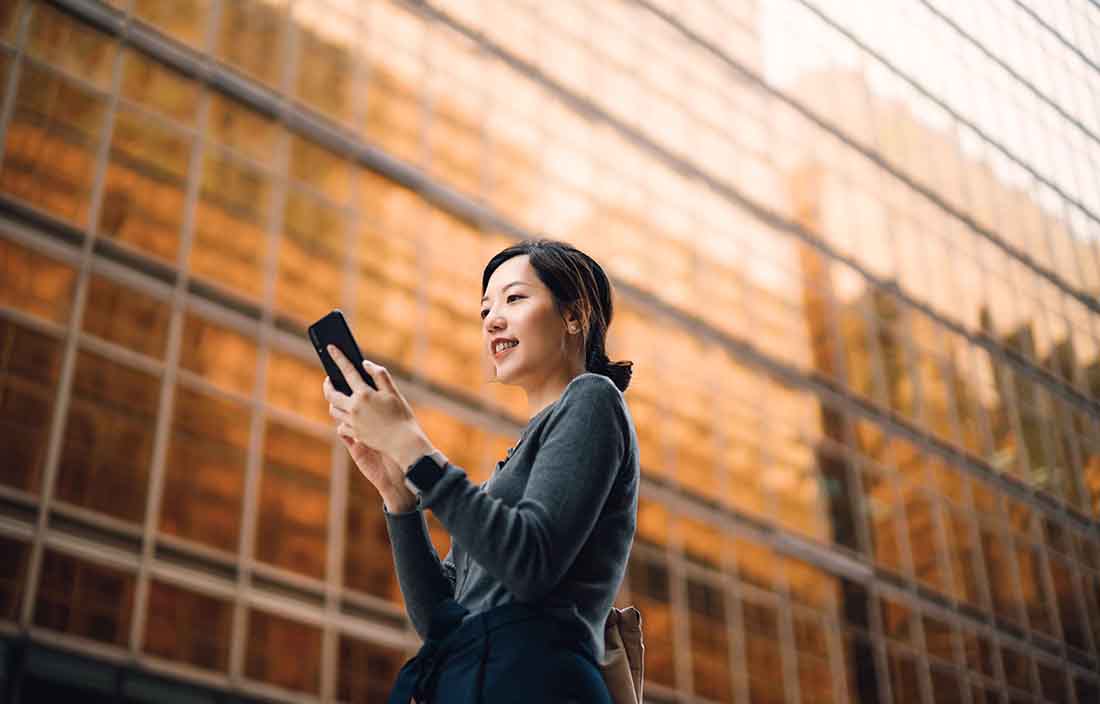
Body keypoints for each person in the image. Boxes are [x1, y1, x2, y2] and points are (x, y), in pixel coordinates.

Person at [321, 238, 640, 702]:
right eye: (485, 309)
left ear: (574, 316)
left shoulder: (593, 398)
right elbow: (442, 621)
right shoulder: (506, 470)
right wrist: (399, 498)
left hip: (537, 684)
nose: (492, 319)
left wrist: (413, 447)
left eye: (514, 298)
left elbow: (529, 563)